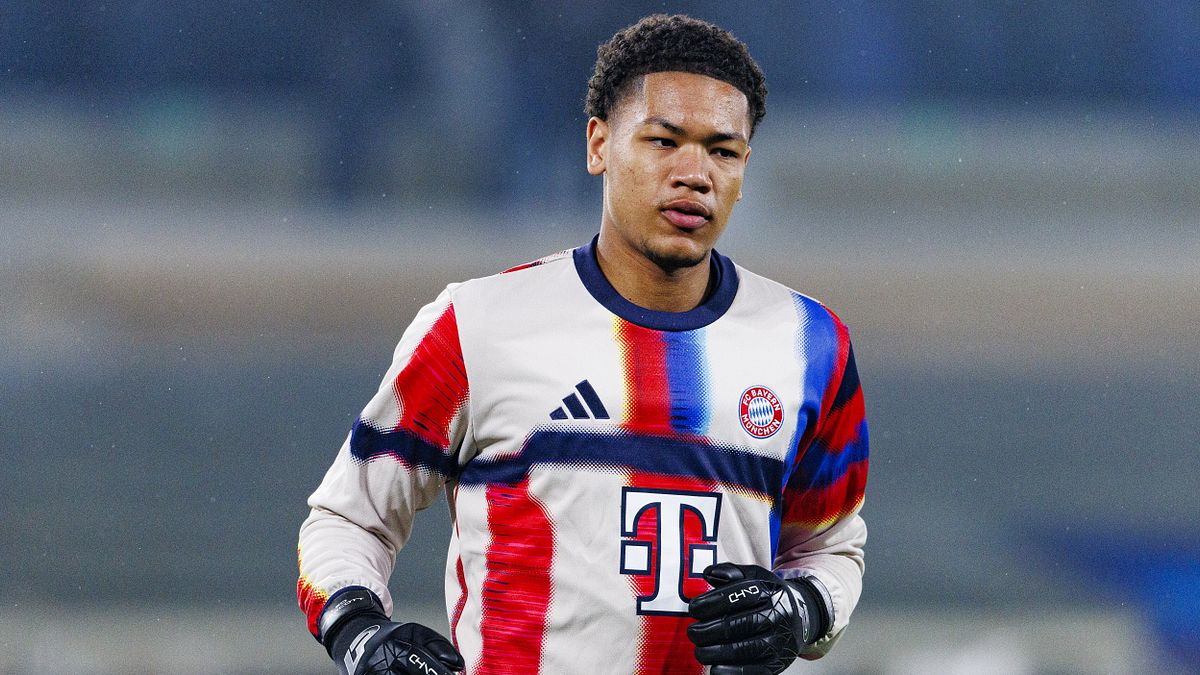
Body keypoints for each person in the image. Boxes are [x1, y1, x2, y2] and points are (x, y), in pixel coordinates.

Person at [298, 14, 869, 675]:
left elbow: (829, 548)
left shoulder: (810, 344)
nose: (694, 173)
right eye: (664, 141)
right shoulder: (478, 324)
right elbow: (349, 516)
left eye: (722, 151)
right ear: (598, 145)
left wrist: (803, 607)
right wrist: (359, 632)